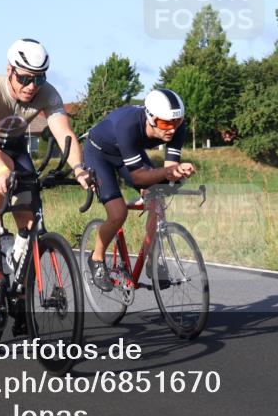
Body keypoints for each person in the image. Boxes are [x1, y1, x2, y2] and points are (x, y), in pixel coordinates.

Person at [0, 38, 91, 287]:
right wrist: (1, 169)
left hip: (15, 146)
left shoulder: (48, 94)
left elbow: (63, 134)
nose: (31, 86)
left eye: (38, 79)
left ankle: (19, 284)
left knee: (29, 221)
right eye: (25, 78)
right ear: (10, 71)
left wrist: (79, 169)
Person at [82, 88, 196, 291]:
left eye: (177, 122)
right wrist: (167, 173)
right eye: (165, 123)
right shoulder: (129, 125)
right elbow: (137, 176)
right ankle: (96, 258)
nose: (172, 128)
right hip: (100, 154)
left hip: (128, 153)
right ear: (151, 118)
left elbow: (169, 171)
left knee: (157, 197)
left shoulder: (177, 127)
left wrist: (177, 174)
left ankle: (152, 258)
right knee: (118, 213)